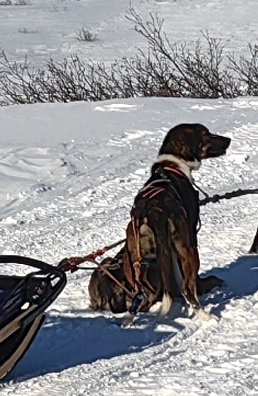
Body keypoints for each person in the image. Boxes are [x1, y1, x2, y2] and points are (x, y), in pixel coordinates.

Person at [91, 123, 232, 316]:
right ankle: (189, 289)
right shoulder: (180, 186)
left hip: (144, 212)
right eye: (205, 139)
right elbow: (187, 247)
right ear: (189, 148)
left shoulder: (153, 183)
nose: (214, 142)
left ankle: (143, 289)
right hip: (170, 208)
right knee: (186, 247)